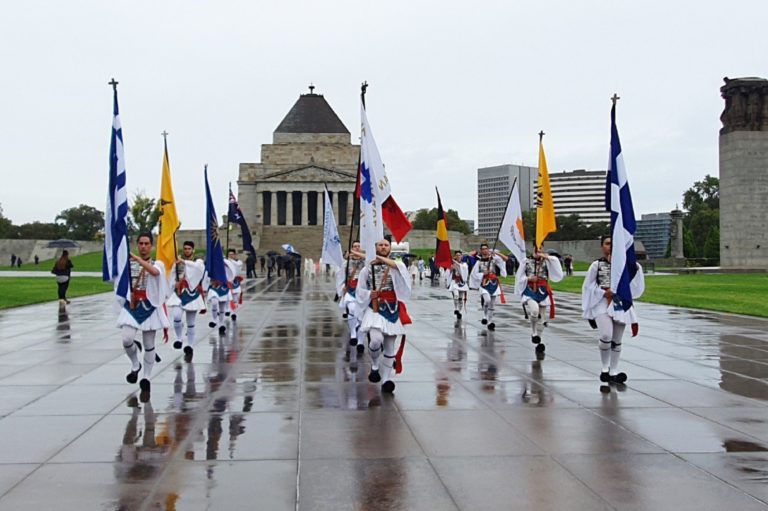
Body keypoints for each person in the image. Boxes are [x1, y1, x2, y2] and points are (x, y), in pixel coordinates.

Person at [582, 235, 645, 385]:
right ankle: (605, 368)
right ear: (602, 246)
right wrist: (603, 292)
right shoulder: (596, 265)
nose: (610, 246)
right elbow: (588, 286)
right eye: (607, 243)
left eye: (613, 243)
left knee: (617, 339)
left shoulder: (627, 265)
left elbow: (636, 283)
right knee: (606, 334)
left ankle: (614, 371)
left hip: (619, 303)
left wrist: (633, 268)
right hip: (602, 302)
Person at [116, 232, 170, 399]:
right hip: (132, 305)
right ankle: (135, 364)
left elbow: (155, 273)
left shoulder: (158, 263)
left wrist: (138, 261)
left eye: (147, 244)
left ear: (151, 246)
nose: (144, 247)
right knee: (127, 339)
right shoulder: (127, 263)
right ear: (137, 245)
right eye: (141, 243)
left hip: (149, 306)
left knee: (149, 344)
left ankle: (146, 377)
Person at [356, 238, 412, 393]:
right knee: (375, 340)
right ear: (376, 247)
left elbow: (402, 273)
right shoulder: (366, 269)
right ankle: (374, 364)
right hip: (375, 309)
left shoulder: (397, 265)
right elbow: (360, 291)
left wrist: (376, 257)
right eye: (380, 245)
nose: (383, 247)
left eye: (386, 245)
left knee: (389, 347)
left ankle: (387, 379)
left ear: (390, 248)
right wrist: (369, 293)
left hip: (393, 309)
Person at [515, 246, 564, 353]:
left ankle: (539, 341)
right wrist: (529, 278)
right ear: (532, 249)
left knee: (542, 318)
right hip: (530, 290)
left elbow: (556, 265)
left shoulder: (547, 261)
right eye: (537, 250)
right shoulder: (526, 261)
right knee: (534, 311)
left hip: (543, 290)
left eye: (541, 250)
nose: (539, 252)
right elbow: (519, 277)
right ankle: (534, 332)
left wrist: (546, 257)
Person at [167, 241, 206, 361]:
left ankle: (190, 346)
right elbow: (172, 275)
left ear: (193, 250)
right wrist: (174, 284)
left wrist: (183, 261)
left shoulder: (197, 261)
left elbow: (199, 268)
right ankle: (179, 338)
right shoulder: (177, 263)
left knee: (191, 322)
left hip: (192, 294)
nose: (187, 250)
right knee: (177, 316)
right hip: (179, 293)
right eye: (185, 248)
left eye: (189, 249)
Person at [469, 243, 508, 331]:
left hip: (494, 283)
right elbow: (474, 274)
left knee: (492, 304)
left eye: (486, 248)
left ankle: (490, 321)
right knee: (487, 300)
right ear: (481, 251)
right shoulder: (479, 262)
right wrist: (483, 274)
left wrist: (496, 253)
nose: (484, 250)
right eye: (483, 249)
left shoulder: (494, 259)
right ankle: (484, 315)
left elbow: (505, 259)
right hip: (484, 283)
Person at [337, 241, 366, 354]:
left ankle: (361, 341)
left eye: (359, 246)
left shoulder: (366, 261)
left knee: (362, 316)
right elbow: (341, 276)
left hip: (363, 290)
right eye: (354, 246)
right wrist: (341, 289)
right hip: (351, 288)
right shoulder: (346, 262)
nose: (357, 248)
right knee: (352, 309)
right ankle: (353, 333)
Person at [446, 250, 469, 320]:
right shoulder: (452, 264)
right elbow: (447, 273)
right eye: (457, 255)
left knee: (460, 298)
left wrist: (454, 261)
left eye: (459, 255)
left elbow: (463, 268)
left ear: (461, 256)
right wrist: (450, 269)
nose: (458, 256)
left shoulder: (464, 264)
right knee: (456, 295)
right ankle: (456, 308)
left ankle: (460, 311)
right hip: (454, 281)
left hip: (461, 282)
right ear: (455, 256)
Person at [225, 249, 244, 320]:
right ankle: (227, 310)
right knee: (227, 297)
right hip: (228, 282)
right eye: (229, 255)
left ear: (235, 255)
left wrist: (229, 260)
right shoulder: (225, 262)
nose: (231, 256)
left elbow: (237, 265)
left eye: (232, 254)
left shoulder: (239, 262)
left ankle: (234, 313)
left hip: (235, 282)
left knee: (235, 298)